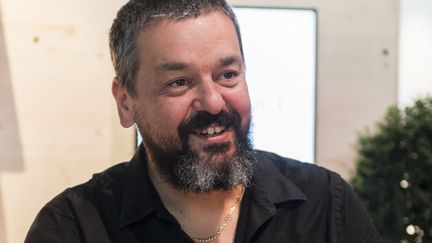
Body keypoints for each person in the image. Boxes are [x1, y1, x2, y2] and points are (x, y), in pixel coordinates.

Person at [25, 0, 381, 242]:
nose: (213, 102)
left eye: (227, 74)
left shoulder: (325, 208)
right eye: (179, 82)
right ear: (125, 102)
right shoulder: (73, 229)